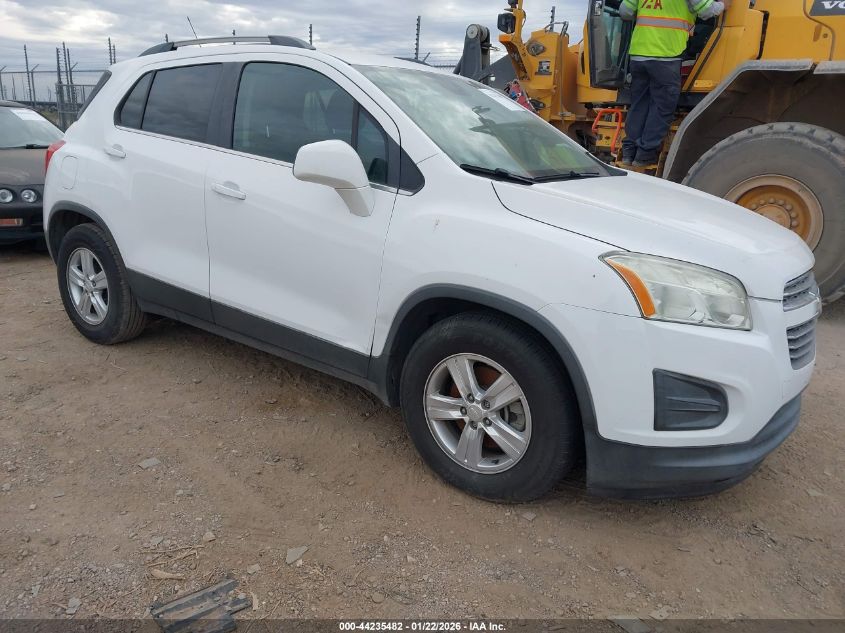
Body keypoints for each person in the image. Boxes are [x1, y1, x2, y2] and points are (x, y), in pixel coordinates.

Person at [620, 0, 729, 167]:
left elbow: (625, 11)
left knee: (639, 104)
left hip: (638, 55)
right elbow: (707, 11)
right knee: (662, 107)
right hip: (666, 56)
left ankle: (629, 152)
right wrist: (723, 5)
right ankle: (645, 154)